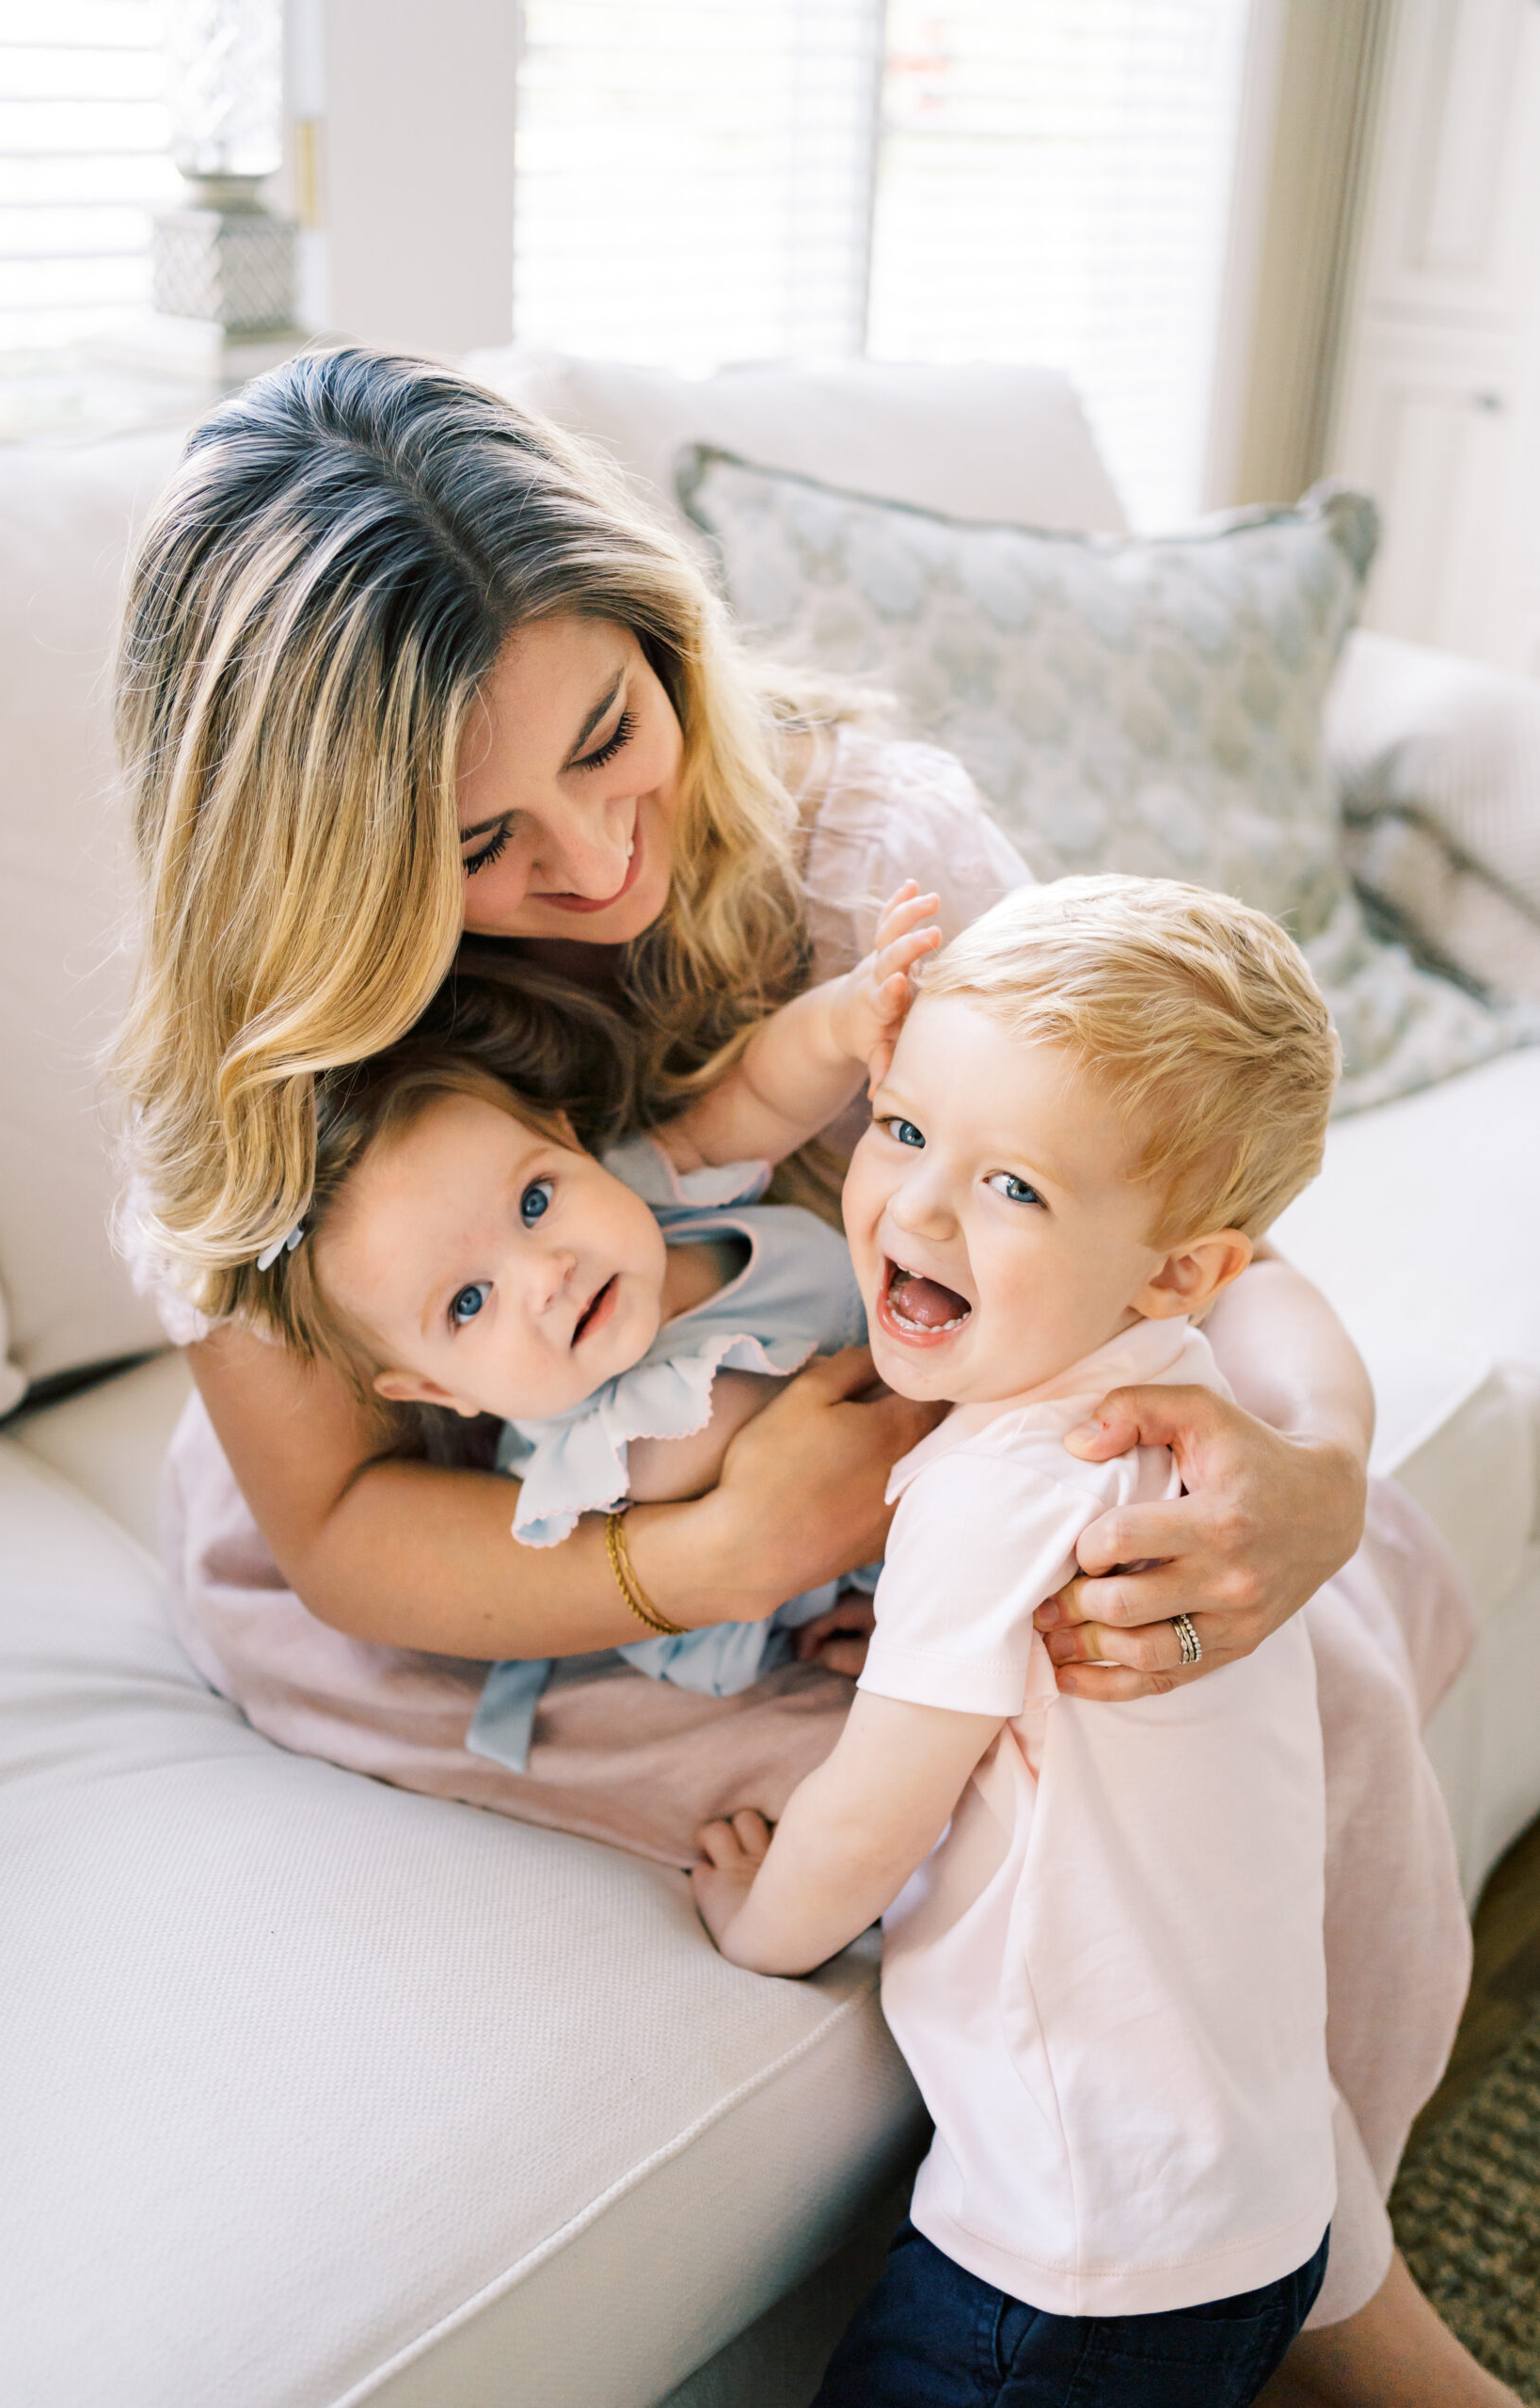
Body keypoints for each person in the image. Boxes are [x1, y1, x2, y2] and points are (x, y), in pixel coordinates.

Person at [110, 346, 1499, 2398]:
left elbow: (1176, 1220)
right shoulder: (256, 1101)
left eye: (613, 734)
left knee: (1300, 1645)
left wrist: (1310, 1457)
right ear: (324, 876)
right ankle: (1292, 2299)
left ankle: (1288, 2239)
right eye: (478, 838)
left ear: (666, 641)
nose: (594, 857)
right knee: (973, 1801)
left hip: (911, 1456)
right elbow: (335, 1528)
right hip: (512, 1558)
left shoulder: (854, 843)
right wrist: (716, 1549)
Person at [695, 877, 1345, 2404]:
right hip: (1252, 2208)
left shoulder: (996, 1485)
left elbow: (867, 1819)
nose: (913, 1208)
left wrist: (759, 1927)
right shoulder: (1181, 1408)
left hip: (1062, 2266)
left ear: (1182, 1267)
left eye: (1014, 1188)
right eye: (903, 1131)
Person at [240, 887, 941, 1770]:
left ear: (571, 1142)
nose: (544, 1275)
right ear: (439, 1392)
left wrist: (846, 1018)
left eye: (535, 1200)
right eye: (467, 1302)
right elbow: (765, 1481)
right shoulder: (602, 1453)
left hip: (921, 1482)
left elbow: (762, 1093)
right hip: (803, 1599)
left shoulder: (648, 1193)